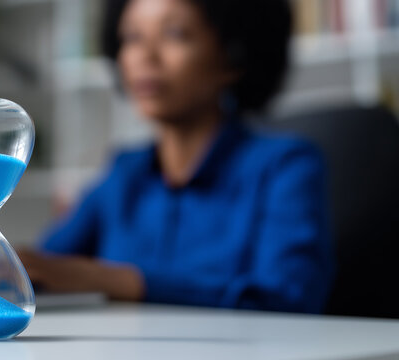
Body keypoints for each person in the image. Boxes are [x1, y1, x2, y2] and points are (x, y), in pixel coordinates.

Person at [20, 0, 334, 313]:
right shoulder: (124, 174)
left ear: (233, 55)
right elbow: (45, 266)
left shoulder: (285, 167)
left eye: (174, 34)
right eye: (131, 37)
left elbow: (292, 296)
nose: (145, 56)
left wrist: (117, 280)